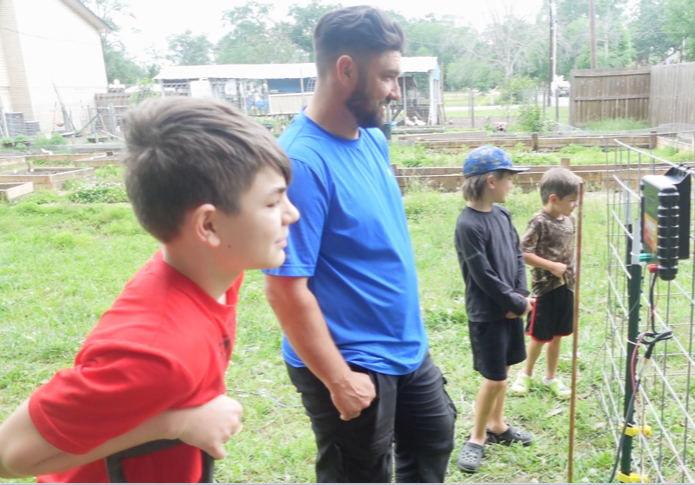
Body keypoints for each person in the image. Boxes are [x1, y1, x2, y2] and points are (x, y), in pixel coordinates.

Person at [0, 97, 300, 482]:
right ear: (208, 226)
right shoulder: (158, 354)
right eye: (274, 202)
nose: (292, 213)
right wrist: (175, 424)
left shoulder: (215, 273)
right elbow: (11, 455)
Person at [263, 6, 456, 483]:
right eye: (388, 76)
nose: (396, 90)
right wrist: (338, 380)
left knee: (434, 435)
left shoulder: (370, 137)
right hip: (351, 358)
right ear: (345, 70)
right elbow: (285, 288)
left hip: (404, 346)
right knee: (361, 475)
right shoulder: (301, 165)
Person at [453, 146, 534, 474]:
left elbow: (516, 254)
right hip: (487, 312)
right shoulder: (468, 225)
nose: (511, 184)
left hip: (511, 306)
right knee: (494, 377)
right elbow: (482, 275)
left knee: (504, 370)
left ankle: (498, 426)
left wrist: (521, 295)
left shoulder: (502, 215)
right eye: (508, 178)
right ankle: (476, 437)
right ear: (490, 181)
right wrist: (515, 303)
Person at [511, 167, 581, 400]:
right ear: (554, 199)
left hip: (566, 286)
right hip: (545, 290)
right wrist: (550, 265)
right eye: (572, 200)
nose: (575, 205)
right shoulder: (539, 221)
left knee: (559, 335)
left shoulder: (569, 218)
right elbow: (522, 252)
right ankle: (526, 373)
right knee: (540, 337)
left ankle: (551, 377)